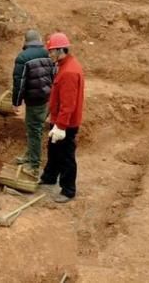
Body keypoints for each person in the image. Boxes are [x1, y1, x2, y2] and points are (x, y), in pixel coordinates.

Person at [39, 33, 84, 204]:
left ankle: (68, 189)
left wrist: (61, 127)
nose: (49, 54)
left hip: (66, 123)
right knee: (54, 150)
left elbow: (68, 104)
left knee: (66, 155)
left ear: (60, 50)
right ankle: (50, 176)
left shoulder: (69, 72)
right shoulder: (65, 66)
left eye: (51, 51)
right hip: (59, 120)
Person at [11, 29, 56, 177]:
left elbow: (20, 82)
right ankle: (29, 156)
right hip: (47, 99)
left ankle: (34, 165)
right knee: (33, 129)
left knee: (34, 131)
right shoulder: (48, 54)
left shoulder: (23, 58)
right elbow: (54, 75)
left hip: (35, 101)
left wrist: (16, 102)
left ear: (25, 41)